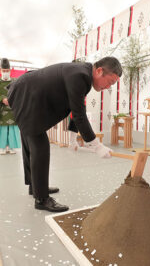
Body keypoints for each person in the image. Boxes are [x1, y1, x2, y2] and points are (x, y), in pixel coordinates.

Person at [8, 57, 122, 212]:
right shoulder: (80, 76)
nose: (108, 87)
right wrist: (97, 146)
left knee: (31, 141)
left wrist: (72, 139)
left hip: (26, 92)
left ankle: (35, 187)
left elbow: (76, 108)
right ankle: (41, 199)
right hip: (26, 93)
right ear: (99, 71)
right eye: (110, 82)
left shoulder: (84, 76)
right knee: (39, 145)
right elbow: (79, 114)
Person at [0, 58, 21, 155]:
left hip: (12, 109)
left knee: (12, 129)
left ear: (10, 70)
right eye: (4, 71)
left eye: (7, 71)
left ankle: (11, 147)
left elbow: (19, 93)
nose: (5, 72)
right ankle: (2, 147)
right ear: (0, 70)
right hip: (1, 110)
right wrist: (2, 99)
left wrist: (11, 100)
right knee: (2, 129)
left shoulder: (15, 81)